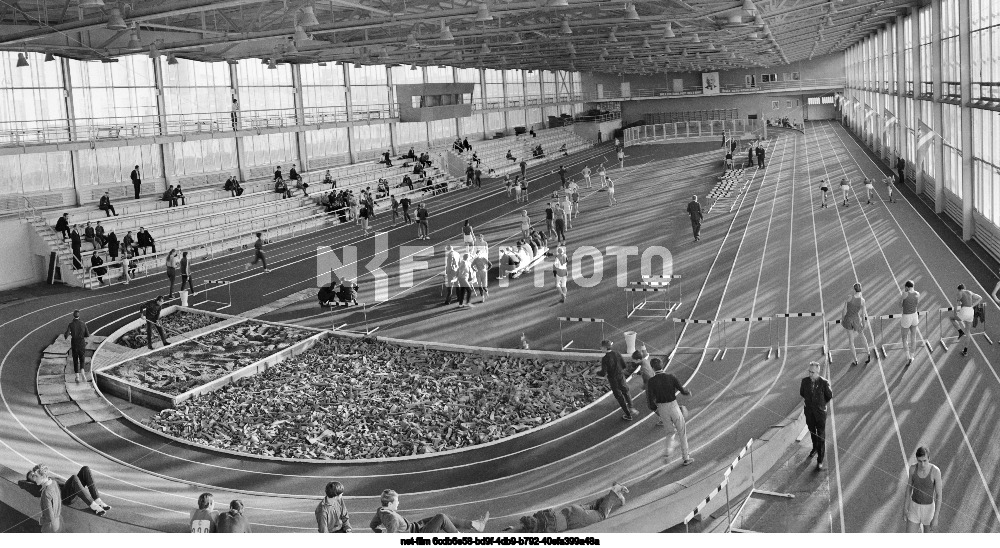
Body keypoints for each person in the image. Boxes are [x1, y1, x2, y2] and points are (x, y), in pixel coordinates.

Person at [512, 483, 628, 533]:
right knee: (594, 508)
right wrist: (517, 525)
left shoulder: (543, 530)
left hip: (575, 520)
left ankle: (614, 492)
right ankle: (615, 496)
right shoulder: (540, 515)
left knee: (601, 515)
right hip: (570, 510)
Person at [26, 464, 111, 533]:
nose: (34, 475)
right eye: (32, 476)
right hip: (65, 497)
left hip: (73, 490)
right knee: (74, 478)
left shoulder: (49, 479)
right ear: (31, 481)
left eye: (34, 473)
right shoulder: (38, 485)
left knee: (85, 469)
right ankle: (94, 506)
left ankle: (97, 500)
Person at [369, 489, 488, 533]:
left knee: (440, 517)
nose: (398, 503)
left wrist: (380, 533)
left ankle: (474, 525)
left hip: (415, 527)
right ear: (390, 504)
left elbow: (373, 525)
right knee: (441, 517)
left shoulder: (381, 510)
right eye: (396, 501)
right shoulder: (392, 518)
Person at [646, 357, 693, 464]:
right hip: (673, 406)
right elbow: (681, 389)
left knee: (670, 432)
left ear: (652, 368)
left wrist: (656, 410)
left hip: (662, 408)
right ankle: (686, 458)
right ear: (662, 366)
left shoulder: (651, 381)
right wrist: (687, 392)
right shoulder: (671, 377)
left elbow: (649, 401)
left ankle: (667, 453)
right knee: (682, 432)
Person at [800, 361, 832, 471]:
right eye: (809, 371)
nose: (810, 374)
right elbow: (802, 393)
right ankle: (814, 448)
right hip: (809, 413)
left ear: (818, 372)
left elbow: (829, 396)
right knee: (812, 432)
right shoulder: (804, 381)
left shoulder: (824, 383)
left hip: (820, 414)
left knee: (821, 436)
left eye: (812, 372)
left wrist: (821, 405)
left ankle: (820, 459)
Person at [903, 446, 942, 533]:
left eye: (925, 461)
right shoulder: (913, 469)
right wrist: (905, 508)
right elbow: (909, 488)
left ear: (929, 458)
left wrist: (935, 517)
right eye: (920, 461)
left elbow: (939, 495)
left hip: (929, 511)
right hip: (914, 508)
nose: (922, 464)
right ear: (917, 459)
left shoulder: (935, 471)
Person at [598, 339, 638, 421]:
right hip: (620, 376)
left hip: (613, 379)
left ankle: (628, 415)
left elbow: (603, 373)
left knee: (619, 396)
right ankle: (631, 406)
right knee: (626, 391)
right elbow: (623, 365)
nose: (600, 348)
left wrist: (597, 373)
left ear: (605, 348)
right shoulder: (617, 353)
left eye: (601, 347)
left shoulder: (605, 359)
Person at [842, 282, 874, 367]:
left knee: (851, 341)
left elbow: (844, 310)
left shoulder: (849, 298)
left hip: (848, 319)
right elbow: (863, 314)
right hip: (856, 319)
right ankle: (868, 353)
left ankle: (855, 360)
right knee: (862, 336)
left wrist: (842, 319)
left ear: (854, 289)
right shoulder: (862, 301)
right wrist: (863, 323)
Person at [949, 284, 983, 356]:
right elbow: (980, 298)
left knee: (951, 318)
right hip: (971, 311)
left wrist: (955, 313)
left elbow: (956, 305)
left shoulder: (959, 293)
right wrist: (973, 305)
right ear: (964, 288)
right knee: (968, 332)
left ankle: (960, 331)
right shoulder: (970, 292)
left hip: (964, 311)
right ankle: (965, 351)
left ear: (959, 289)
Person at [64, 310, 89, 383]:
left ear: (73, 316)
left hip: (74, 343)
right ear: (79, 316)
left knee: (75, 360)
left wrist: (69, 333)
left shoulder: (71, 324)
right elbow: (87, 335)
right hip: (81, 343)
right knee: (82, 358)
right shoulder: (83, 323)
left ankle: (77, 377)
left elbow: (66, 335)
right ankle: (82, 371)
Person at [900, 280, 920, 367]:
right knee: (913, 336)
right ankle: (912, 356)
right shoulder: (917, 294)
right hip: (915, 316)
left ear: (907, 287)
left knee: (904, 338)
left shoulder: (905, 294)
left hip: (906, 316)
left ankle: (908, 357)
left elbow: (900, 304)